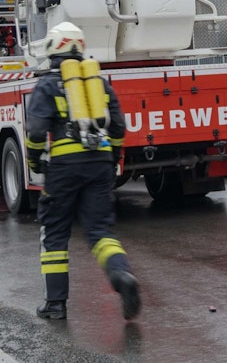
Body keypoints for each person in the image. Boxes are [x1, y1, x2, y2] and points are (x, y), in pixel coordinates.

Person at [25, 21, 141, 321]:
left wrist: (35, 162)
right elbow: (117, 128)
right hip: (100, 164)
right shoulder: (99, 84)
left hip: (64, 169)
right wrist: (112, 158)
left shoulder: (47, 85)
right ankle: (121, 276)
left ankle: (55, 304)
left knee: (54, 232)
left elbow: (36, 131)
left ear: (52, 48)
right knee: (100, 230)